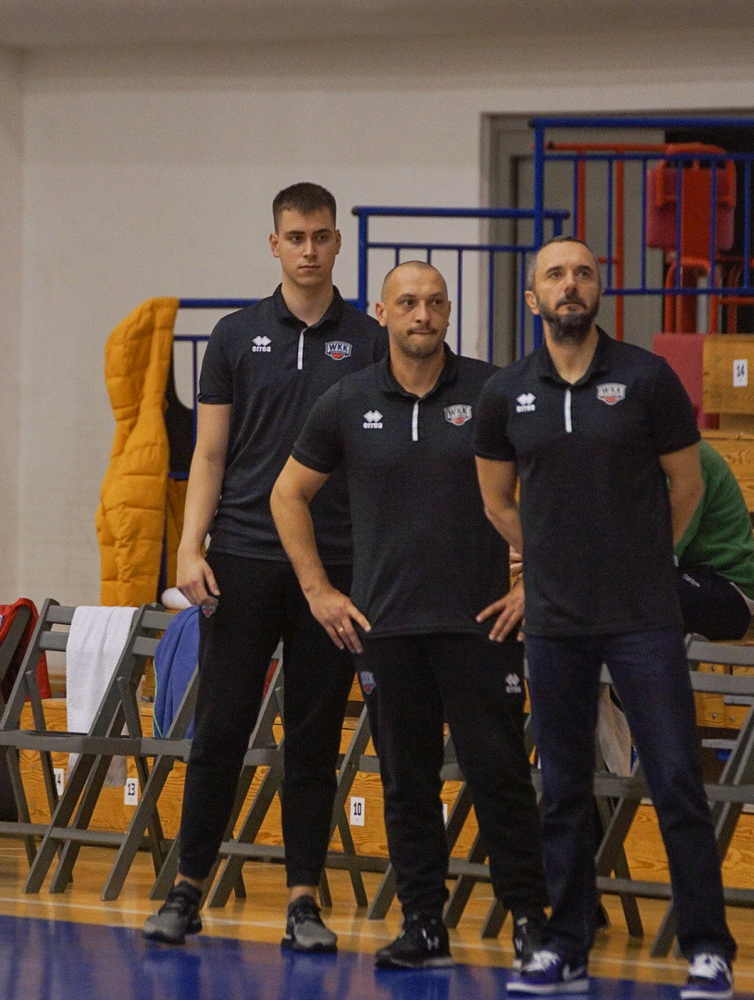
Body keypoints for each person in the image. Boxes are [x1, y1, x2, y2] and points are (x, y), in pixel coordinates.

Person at [475, 237, 737, 999]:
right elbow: (495, 500)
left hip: (642, 615)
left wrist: (643, 558)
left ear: (598, 292)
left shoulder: (647, 379)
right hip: (556, 620)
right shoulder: (505, 393)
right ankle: (566, 946)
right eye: (556, 275)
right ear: (533, 298)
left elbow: (686, 486)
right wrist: (550, 558)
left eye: (583, 273)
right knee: (562, 788)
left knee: (676, 780)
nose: (571, 284)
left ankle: (707, 949)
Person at [271, 261, 549, 970]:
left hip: (482, 624)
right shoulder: (346, 400)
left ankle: (530, 922)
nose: (421, 315)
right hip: (387, 629)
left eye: (433, 303)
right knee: (406, 784)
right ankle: (423, 925)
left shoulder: (492, 392)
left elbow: (552, 484)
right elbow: (286, 494)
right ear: (382, 312)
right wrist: (318, 590)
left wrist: (536, 583)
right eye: (407, 303)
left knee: (500, 776)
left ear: (448, 312)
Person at [141, 183, 386, 952]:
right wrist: (189, 547)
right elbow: (208, 454)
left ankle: (304, 903)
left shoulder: (372, 341)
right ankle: (187, 891)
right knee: (219, 731)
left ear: (338, 242)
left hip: (333, 570)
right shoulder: (234, 335)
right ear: (274, 244)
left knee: (311, 741)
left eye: (321, 236)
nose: (309, 249)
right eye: (296, 237)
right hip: (241, 558)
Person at [675, 441, 754, 641]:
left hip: (728, 589)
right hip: (685, 574)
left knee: (636, 599)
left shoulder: (686, 459)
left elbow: (663, 552)